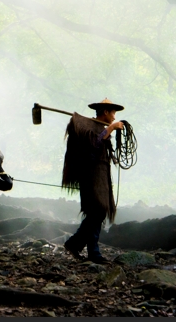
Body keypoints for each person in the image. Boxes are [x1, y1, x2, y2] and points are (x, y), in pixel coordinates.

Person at [61, 98, 125, 264]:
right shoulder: (89, 128)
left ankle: (85, 249)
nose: (114, 116)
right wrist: (111, 128)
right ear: (105, 112)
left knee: (97, 213)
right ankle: (83, 248)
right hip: (90, 177)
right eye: (113, 112)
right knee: (97, 212)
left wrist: (109, 130)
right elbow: (93, 145)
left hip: (100, 176)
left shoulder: (100, 128)